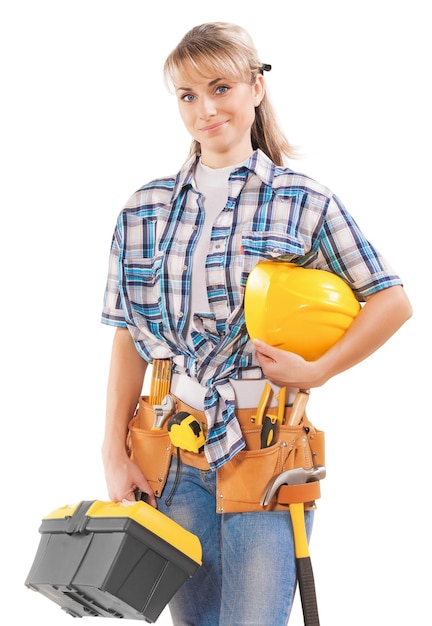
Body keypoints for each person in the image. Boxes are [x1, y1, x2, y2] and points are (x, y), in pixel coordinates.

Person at [101, 22, 412, 625]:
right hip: (168, 451)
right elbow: (127, 337)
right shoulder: (142, 209)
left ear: (255, 89)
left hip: (265, 451)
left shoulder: (304, 200)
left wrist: (319, 369)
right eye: (188, 96)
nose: (206, 109)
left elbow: (390, 300)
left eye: (219, 88)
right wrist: (113, 452)